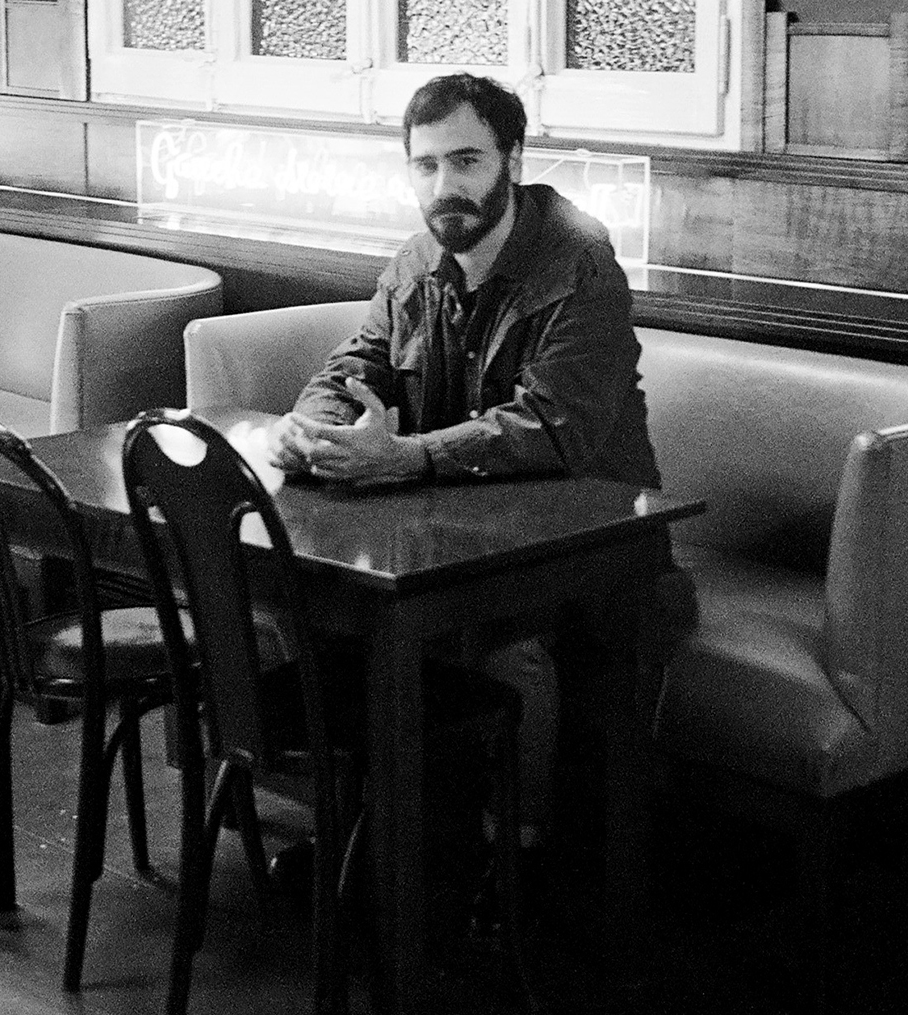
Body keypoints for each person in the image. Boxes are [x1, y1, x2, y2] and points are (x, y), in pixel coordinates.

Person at [264, 71, 663, 904]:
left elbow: (552, 427)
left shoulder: (580, 263)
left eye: (467, 160)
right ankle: (372, 828)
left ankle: (513, 863)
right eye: (426, 164)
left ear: (512, 160)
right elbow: (354, 364)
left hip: (594, 545)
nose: (445, 184)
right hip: (459, 526)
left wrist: (403, 457)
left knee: (507, 640)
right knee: (314, 599)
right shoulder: (417, 261)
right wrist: (310, 427)